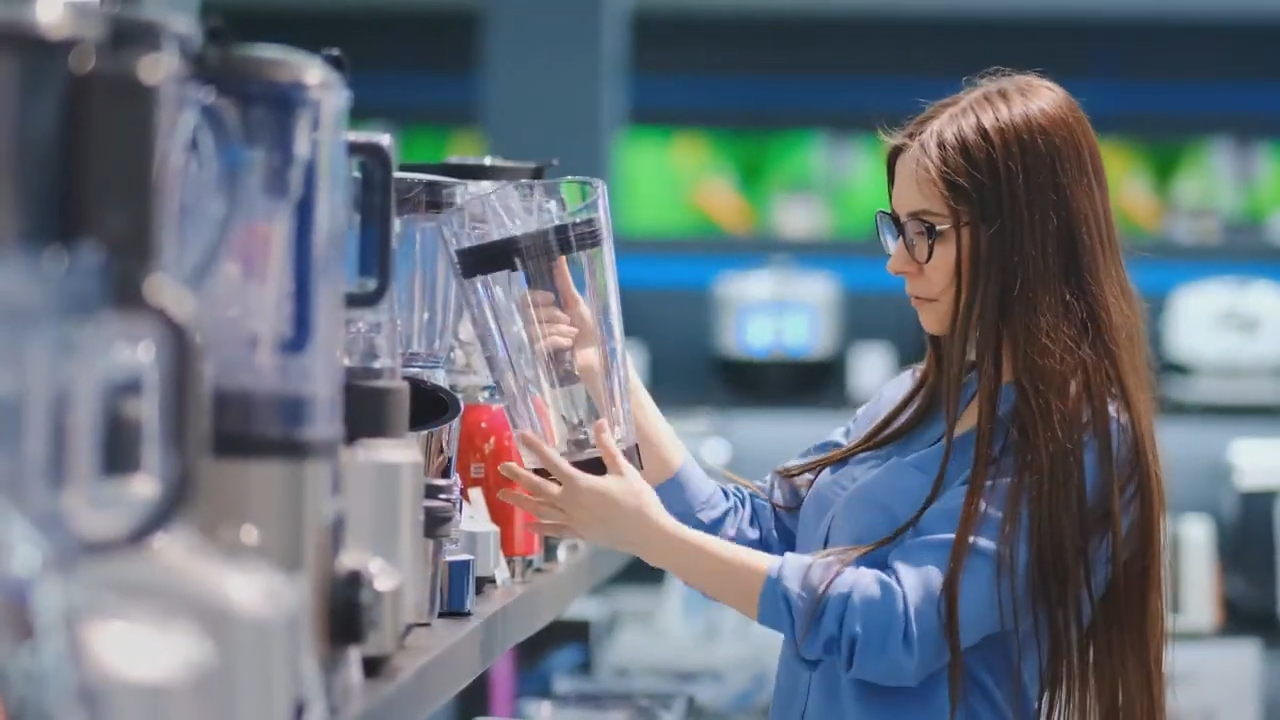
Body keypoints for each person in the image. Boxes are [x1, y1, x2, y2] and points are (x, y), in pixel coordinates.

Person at [499, 70, 1167, 719]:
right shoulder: (913, 399)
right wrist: (606, 372)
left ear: (1021, 239)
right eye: (897, 228)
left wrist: (648, 536)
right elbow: (754, 531)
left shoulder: (1079, 440)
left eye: (925, 231)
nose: (898, 260)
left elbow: (897, 629)